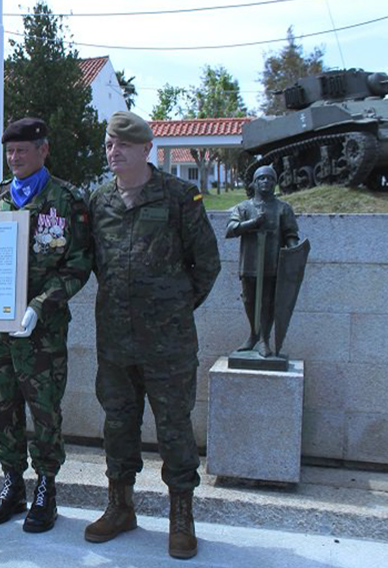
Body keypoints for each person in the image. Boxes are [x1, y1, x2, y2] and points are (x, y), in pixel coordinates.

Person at [0, 117, 92, 533]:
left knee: (44, 410)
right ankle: (13, 483)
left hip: (40, 334)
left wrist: (41, 305)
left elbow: (79, 265)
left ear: (43, 150)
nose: (14, 158)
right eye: (9, 151)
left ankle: (46, 487)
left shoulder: (66, 202)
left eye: (22, 150)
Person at [85, 111, 221, 559]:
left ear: (146, 149)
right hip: (116, 344)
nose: (113, 151)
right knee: (118, 425)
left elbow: (207, 264)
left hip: (169, 346)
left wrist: (175, 308)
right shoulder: (100, 201)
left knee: (175, 429)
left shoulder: (181, 197)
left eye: (123, 144)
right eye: (109, 144)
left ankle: (181, 515)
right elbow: (94, 264)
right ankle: (120, 506)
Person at [225, 165, 300, 357]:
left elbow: (291, 234)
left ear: (275, 183)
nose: (265, 182)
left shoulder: (283, 208)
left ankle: (265, 339)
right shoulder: (243, 207)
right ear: (254, 183)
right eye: (261, 179)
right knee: (249, 299)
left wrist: (294, 252)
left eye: (269, 179)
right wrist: (252, 224)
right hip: (249, 262)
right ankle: (253, 334)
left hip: (272, 263)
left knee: (268, 301)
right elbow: (230, 230)